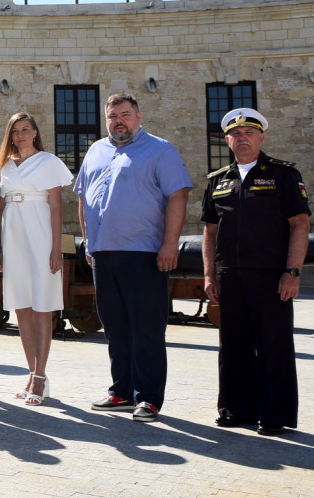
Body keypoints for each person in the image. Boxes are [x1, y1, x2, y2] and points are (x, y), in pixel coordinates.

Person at [74, 93, 191, 423]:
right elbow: (83, 197)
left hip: (143, 253)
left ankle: (149, 398)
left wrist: (170, 244)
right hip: (103, 254)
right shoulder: (97, 150)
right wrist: (88, 242)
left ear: (139, 117)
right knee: (115, 326)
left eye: (125, 114)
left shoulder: (160, 150)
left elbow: (177, 196)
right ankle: (122, 390)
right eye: (112, 116)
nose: (118, 121)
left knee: (146, 327)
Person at [201, 108, 309, 435]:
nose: (242, 138)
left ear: (261, 137)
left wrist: (293, 271)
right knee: (233, 345)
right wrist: (209, 276)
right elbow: (209, 231)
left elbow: (300, 224)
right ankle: (236, 409)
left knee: (273, 345)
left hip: (271, 276)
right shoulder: (218, 180)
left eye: (249, 132)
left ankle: (275, 414)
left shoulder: (283, 174)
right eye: (235, 134)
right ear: (227, 140)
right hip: (230, 276)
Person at [0, 113, 74, 406]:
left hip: (40, 236)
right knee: (22, 308)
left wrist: (55, 249)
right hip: (13, 239)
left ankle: (40, 377)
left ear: (36, 132)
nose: (20, 135)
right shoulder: (4, 166)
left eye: (25, 130)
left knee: (42, 307)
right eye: (15, 131)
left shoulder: (50, 162)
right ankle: (31, 373)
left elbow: (55, 208)